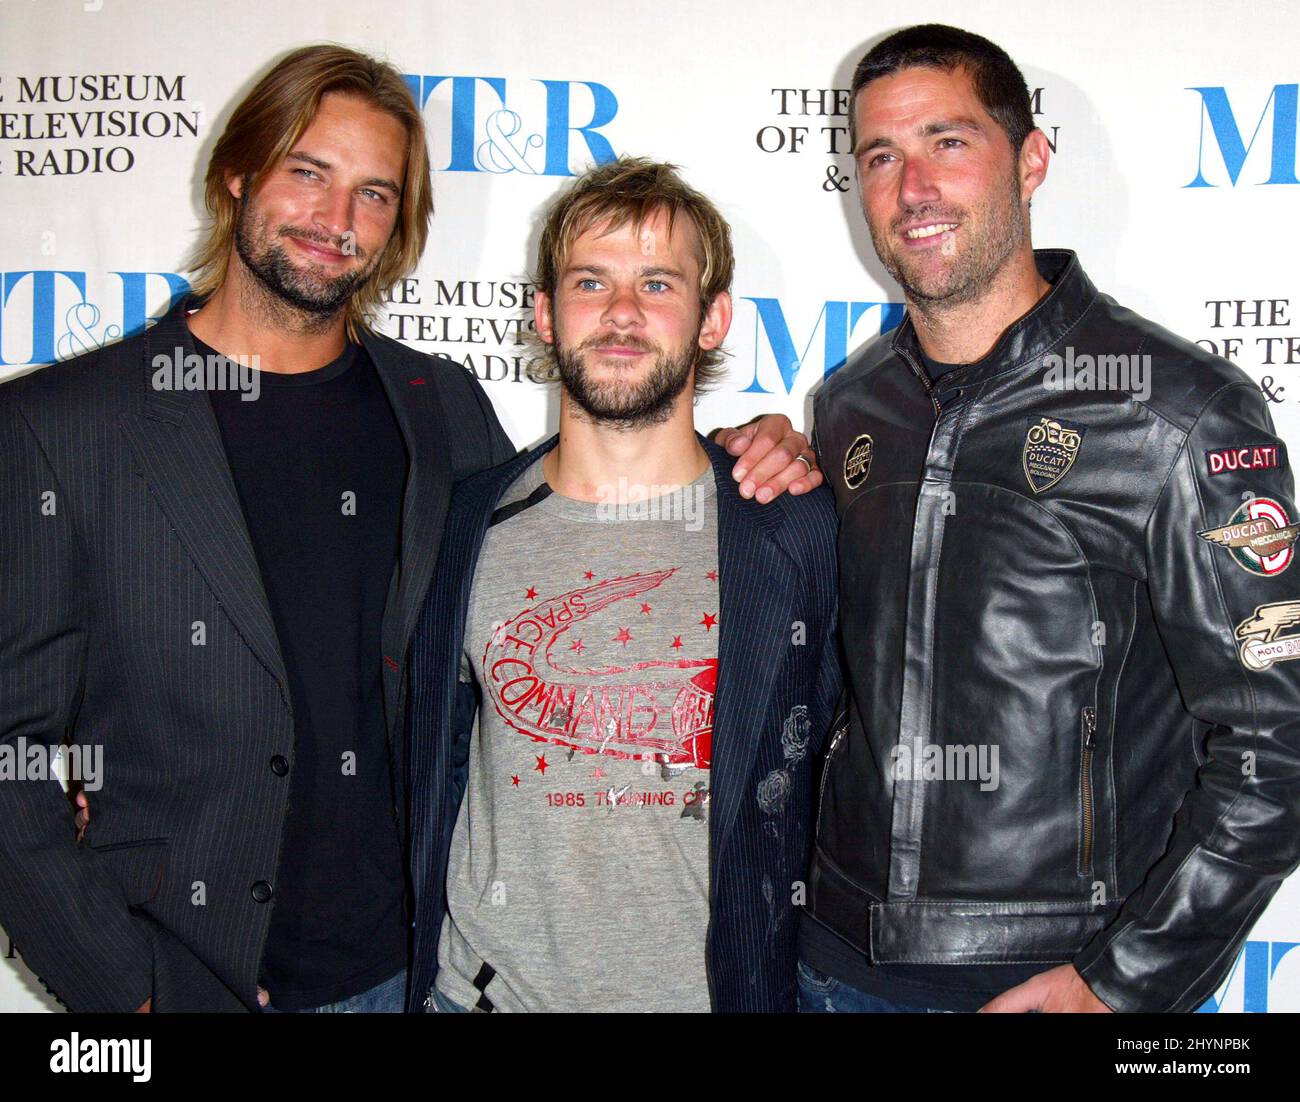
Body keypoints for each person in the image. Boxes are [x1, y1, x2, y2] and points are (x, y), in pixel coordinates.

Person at [0, 44, 517, 1013]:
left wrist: (739, 460)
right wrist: (125, 988)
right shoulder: (66, 428)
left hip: (420, 973)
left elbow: (537, 602)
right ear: (238, 175)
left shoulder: (440, 406)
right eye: (307, 172)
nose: (335, 220)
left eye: (373, 193)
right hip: (188, 974)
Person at [795, 23, 1300, 1013]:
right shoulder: (851, 404)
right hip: (831, 959)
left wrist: (1119, 983)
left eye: (949, 142)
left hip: (1049, 978)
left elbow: (1277, 736)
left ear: (1030, 159)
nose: (912, 190)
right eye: (881, 156)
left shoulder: (1173, 411)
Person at [405, 158, 842, 1012]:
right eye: (591, 281)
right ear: (543, 313)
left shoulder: (793, 528)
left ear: (713, 318)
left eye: (657, 283)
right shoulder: (461, 526)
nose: (621, 313)